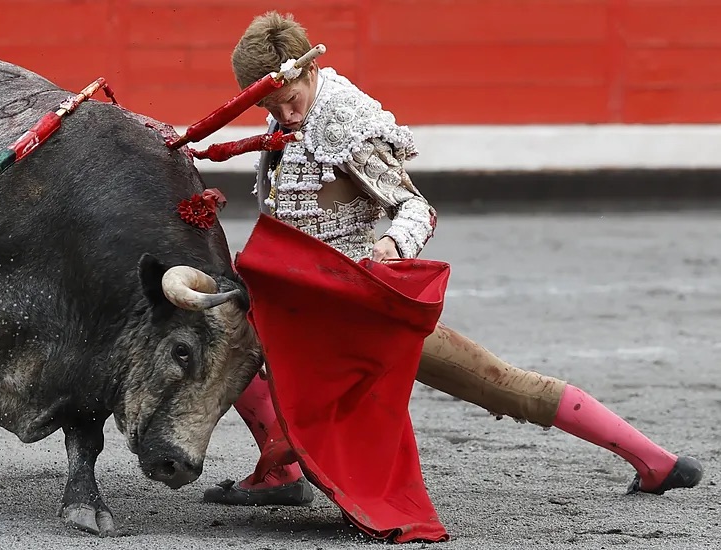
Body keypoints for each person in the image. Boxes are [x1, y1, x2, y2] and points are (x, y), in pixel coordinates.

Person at [202, 10, 703, 507]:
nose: (284, 115)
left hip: (357, 306)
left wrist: (396, 244)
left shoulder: (347, 127)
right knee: (222, 339)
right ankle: (280, 474)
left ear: (310, 71)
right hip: (299, 302)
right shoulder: (289, 120)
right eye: (270, 105)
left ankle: (656, 462)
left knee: (498, 384)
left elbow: (416, 206)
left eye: (289, 100)